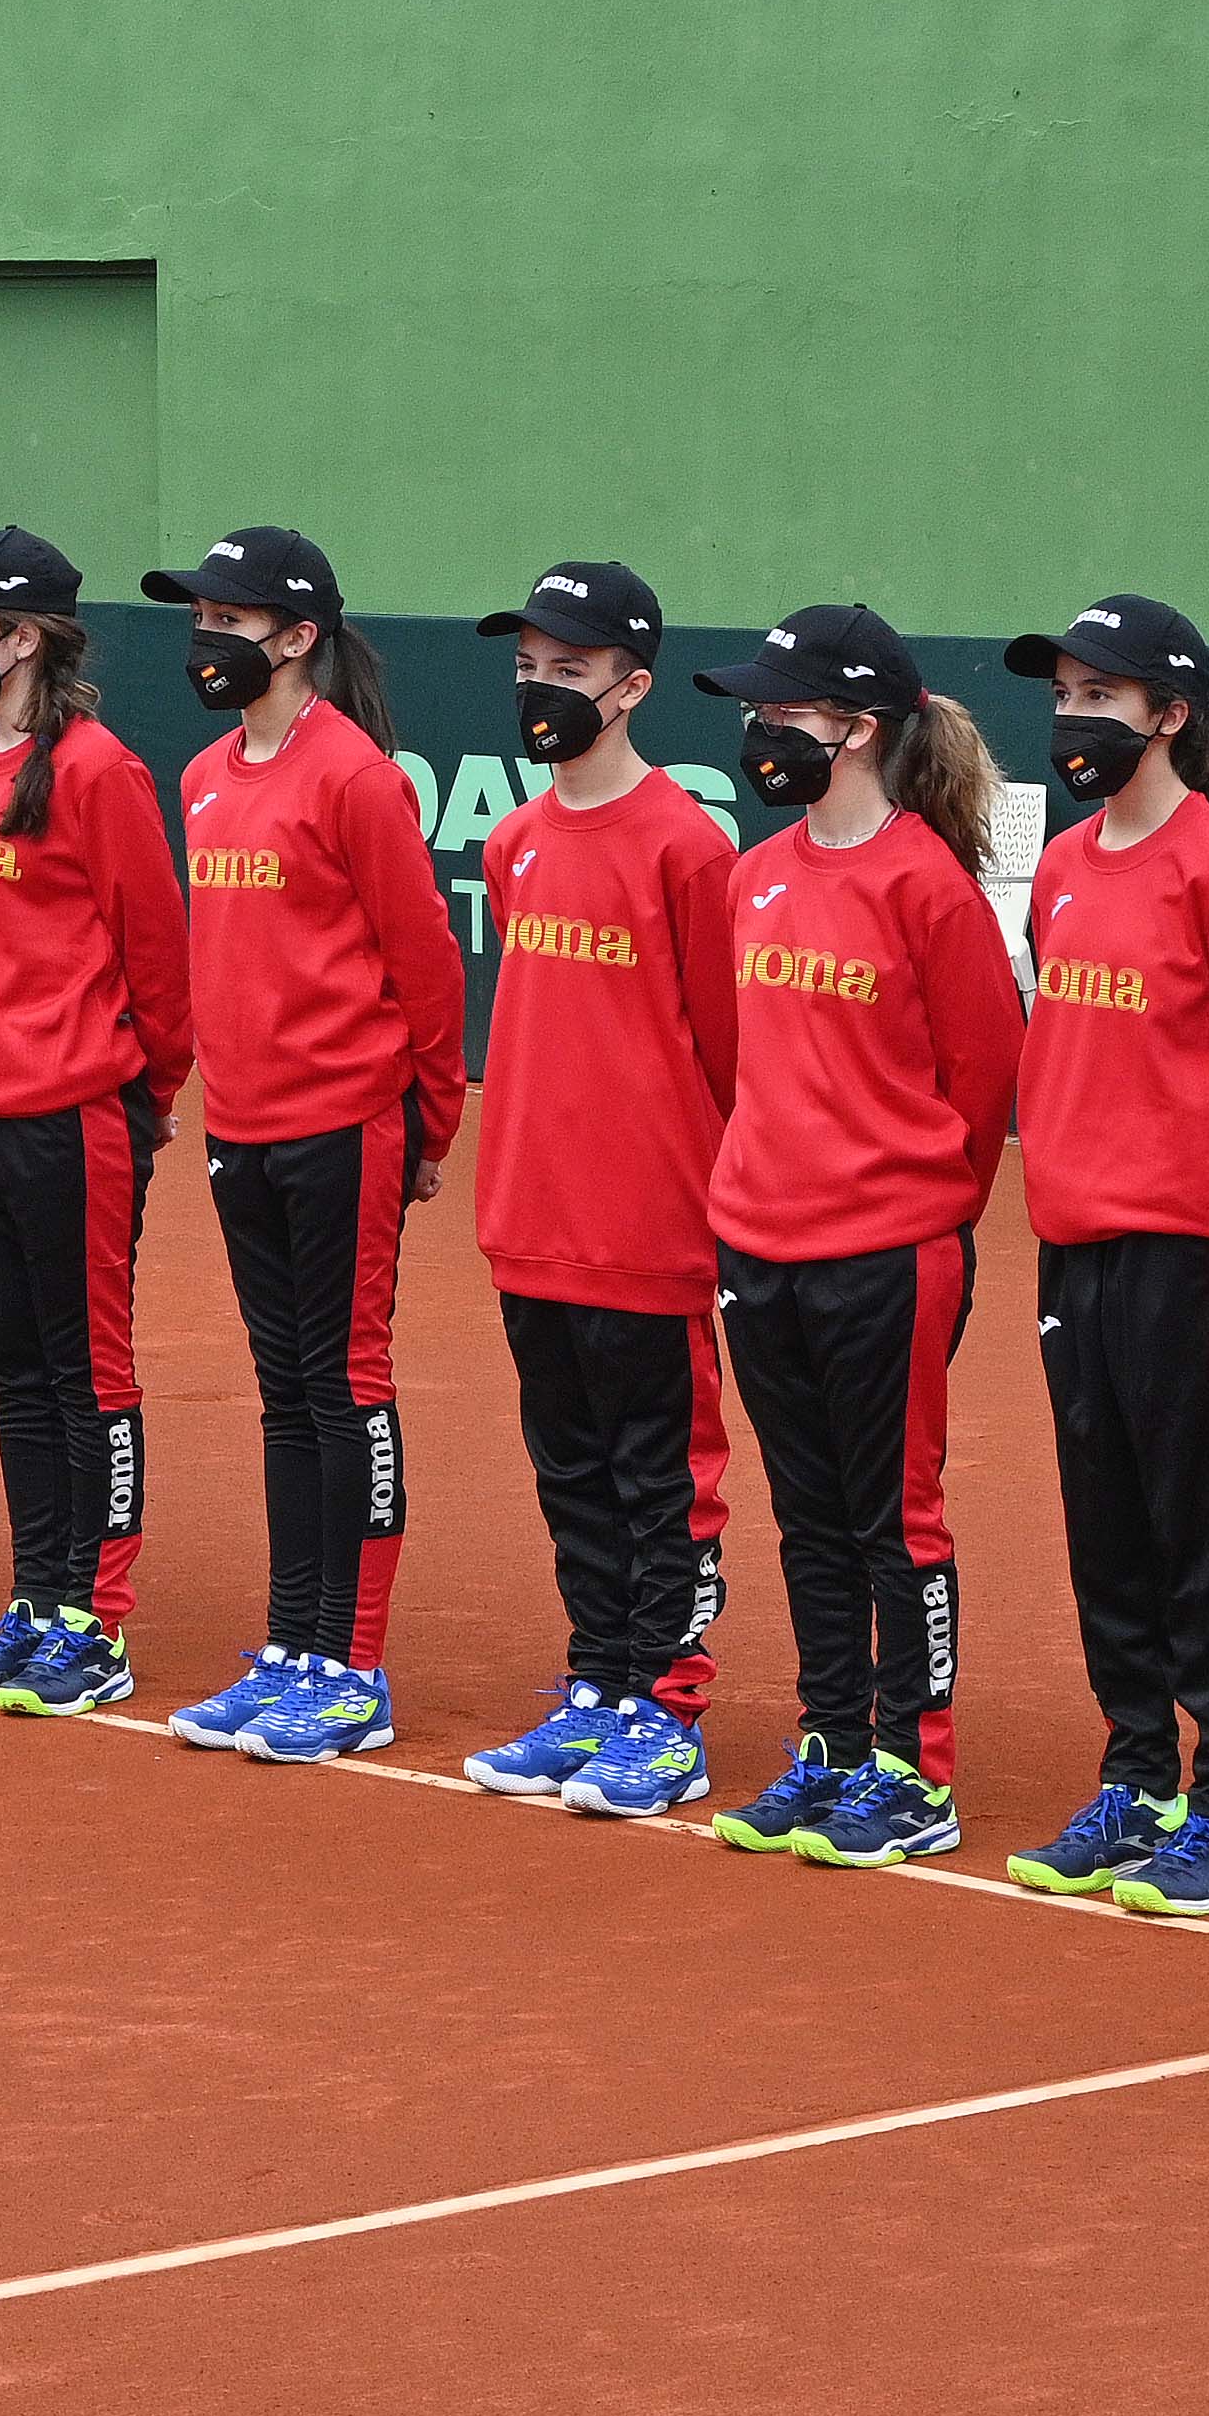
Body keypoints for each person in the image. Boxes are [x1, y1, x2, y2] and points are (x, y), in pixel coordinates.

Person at [987, 596, 1209, 1912]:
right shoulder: (1068, 864)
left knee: (1203, 1530)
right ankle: (1137, 1774)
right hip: (1073, 1244)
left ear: (1171, 716)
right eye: (1063, 692)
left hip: (1187, 1248)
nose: (1075, 718)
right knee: (1108, 1524)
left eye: (1103, 696)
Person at [690, 604, 1017, 1868]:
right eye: (757, 713)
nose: (761, 732)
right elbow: (740, 1061)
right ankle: (832, 1739)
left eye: (783, 714)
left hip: (889, 1255)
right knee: (809, 1511)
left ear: (858, 729)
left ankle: (913, 1768)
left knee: (896, 1517)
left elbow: (985, 1076)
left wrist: (919, 1210)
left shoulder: (926, 884)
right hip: (759, 1242)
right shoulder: (755, 874)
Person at [134, 528, 464, 1767]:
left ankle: (354, 1667)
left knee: (346, 1383)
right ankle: (294, 1645)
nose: (206, 639)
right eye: (198, 617)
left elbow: (425, 963)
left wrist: (430, 1118)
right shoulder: (206, 774)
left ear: (297, 637)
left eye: (230, 619)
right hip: (246, 1123)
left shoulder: (355, 777)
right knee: (286, 1394)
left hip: (347, 1122)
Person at [431, 562, 741, 1812]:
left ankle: (667, 1708)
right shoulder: (511, 843)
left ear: (632, 687)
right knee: (571, 1475)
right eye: (527, 669)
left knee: (662, 1479)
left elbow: (727, 1050)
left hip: (652, 1228)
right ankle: (599, 1684)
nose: (542, 690)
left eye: (567, 670)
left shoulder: (687, 847)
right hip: (533, 1218)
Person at [0, 527, 190, 1726]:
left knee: (87, 1372)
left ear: (21, 638)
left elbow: (157, 955)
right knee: (14, 1372)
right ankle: (43, 1597)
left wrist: (141, 1095)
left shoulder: (102, 771)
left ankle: (95, 1625)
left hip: (74, 1117)